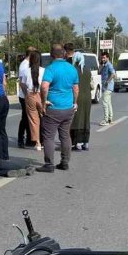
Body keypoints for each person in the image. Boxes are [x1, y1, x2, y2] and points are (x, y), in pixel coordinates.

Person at [38, 43, 79, 173]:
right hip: (68, 108)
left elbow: (44, 86)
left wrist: (43, 102)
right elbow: (76, 88)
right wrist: (75, 102)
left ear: (51, 55)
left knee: (49, 137)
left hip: (53, 108)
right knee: (65, 136)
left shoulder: (50, 69)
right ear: (64, 54)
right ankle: (65, 162)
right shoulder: (72, 68)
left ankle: (49, 165)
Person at [18, 50, 43, 150]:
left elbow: (22, 83)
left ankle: (37, 143)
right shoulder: (43, 70)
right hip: (40, 95)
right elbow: (45, 85)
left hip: (30, 95)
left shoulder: (26, 71)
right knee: (44, 118)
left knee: (33, 120)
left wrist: (26, 95)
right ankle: (44, 139)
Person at [70, 51, 92, 151]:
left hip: (77, 97)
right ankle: (85, 142)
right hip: (87, 97)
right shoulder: (87, 70)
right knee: (86, 119)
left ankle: (77, 143)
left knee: (76, 119)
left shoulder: (73, 70)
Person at [99, 51, 115, 125]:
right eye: (102, 58)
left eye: (104, 58)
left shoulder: (109, 65)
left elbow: (113, 73)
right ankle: (110, 119)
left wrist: (108, 81)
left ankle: (106, 120)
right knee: (108, 103)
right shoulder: (105, 65)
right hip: (107, 87)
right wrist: (101, 64)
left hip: (107, 87)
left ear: (107, 58)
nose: (103, 59)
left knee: (105, 103)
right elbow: (99, 72)